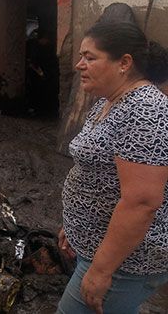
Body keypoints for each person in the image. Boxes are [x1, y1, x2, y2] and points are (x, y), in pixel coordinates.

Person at [57, 22, 168, 314]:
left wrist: (102, 270)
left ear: (124, 63)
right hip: (98, 247)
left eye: (90, 57)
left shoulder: (144, 110)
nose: (80, 64)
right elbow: (93, 170)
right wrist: (74, 224)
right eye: (81, 56)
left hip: (125, 262)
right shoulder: (108, 102)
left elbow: (142, 202)